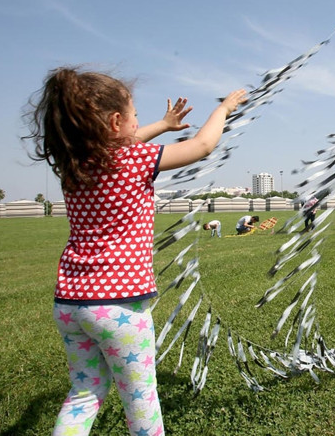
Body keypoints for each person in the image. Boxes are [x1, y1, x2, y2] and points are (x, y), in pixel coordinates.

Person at [24, 66, 246, 436]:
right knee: (139, 395)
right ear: (115, 122)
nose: (138, 123)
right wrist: (222, 110)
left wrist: (161, 124)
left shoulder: (73, 165)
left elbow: (119, 142)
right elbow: (203, 146)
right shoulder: (136, 161)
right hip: (118, 305)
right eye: (135, 115)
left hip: (70, 303)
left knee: (84, 391)